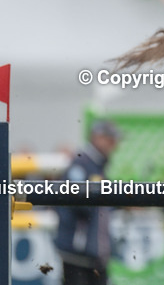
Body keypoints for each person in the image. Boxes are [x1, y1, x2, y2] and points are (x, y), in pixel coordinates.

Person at [54, 120, 121, 285]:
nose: (115, 146)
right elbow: (78, 201)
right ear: (97, 138)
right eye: (110, 140)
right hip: (78, 251)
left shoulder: (95, 166)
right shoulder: (82, 164)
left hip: (91, 252)